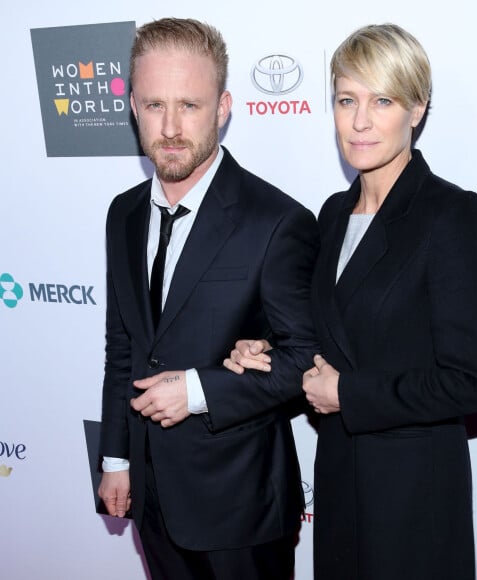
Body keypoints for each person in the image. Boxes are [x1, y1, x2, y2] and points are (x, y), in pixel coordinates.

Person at [224, 23, 477, 580]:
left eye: (382, 100)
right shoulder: (331, 214)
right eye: (346, 99)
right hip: (339, 480)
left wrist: (348, 393)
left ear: (417, 109)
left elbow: (474, 382)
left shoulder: (452, 215)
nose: (360, 121)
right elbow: (328, 339)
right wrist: (267, 349)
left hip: (413, 496)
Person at [97, 17, 319, 580]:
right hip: (151, 498)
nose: (170, 127)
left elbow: (306, 360)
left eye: (189, 106)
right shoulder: (123, 213)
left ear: (222, 108)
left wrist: (196, 390)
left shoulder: (276, 221)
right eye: (153, 106)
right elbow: (123, 348)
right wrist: (117, 458)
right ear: (132, 107)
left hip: (241, 508)